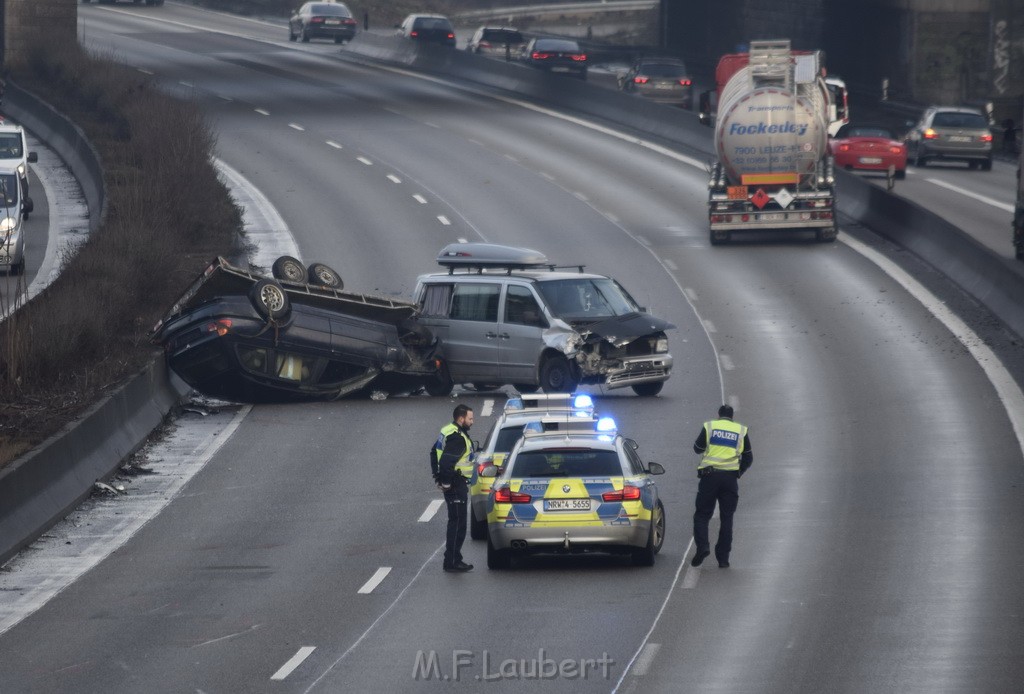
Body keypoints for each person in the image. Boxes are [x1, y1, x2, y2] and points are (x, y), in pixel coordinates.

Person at [691, 404, 752, 569]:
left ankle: (703, 547)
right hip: (730, 479)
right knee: (727, 518)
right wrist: (738, 472)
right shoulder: (740, 430)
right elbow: (748, 457)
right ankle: (723, 559)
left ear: (719, 415)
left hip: (709, 477)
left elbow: (697, 448)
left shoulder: (710, 426)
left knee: (702, 515)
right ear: (732, 417)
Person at [430, 404, 475, 573]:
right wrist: (446, 483)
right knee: (458, 523)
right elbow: (447, 461)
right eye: (470, 418)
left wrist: (437, 477)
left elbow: (434, 452)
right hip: (456, 483)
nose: (473, 422)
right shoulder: (457, 438)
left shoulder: (447, 430)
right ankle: (453, 561)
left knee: (455, 521)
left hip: (453, 482)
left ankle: (452, 559)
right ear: (461, 418)